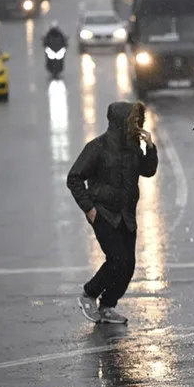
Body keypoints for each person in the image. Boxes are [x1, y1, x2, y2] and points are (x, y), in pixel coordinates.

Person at [67, 101, 158, 324]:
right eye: (131, 121)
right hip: (104, 213)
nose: (135, 125)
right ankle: (88, 294)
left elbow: (148, 171)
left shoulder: (133, 149)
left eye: (138, 120)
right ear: (119, 123)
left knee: (128, 266)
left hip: (126, 215)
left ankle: (107, 305)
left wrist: (150, 148)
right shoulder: (97, 147)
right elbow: (74, 178)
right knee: (117, 259)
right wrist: (89, 208)